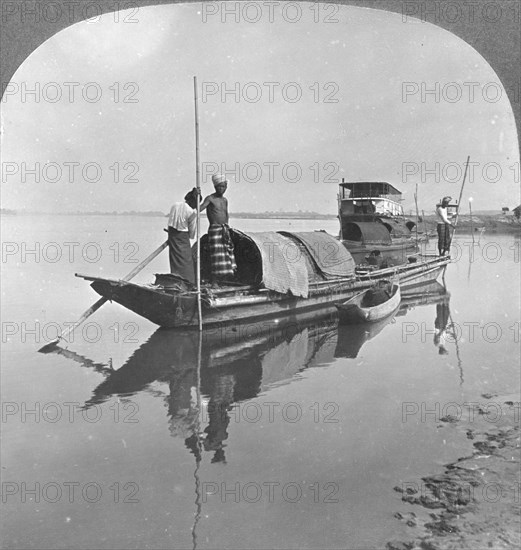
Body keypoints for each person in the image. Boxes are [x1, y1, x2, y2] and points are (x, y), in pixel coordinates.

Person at [199, 174, 237, 283]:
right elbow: (199, 209)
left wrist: (227, 227)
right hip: (215, 230)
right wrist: (197, 199)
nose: (221, 189)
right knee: (216, 255)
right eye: (219, 186)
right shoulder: (210, 198)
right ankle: (214, 281)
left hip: (224, 229)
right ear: (215, 187)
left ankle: (225, 279)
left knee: (227, 254)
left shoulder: (225, 200)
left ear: (226, 187)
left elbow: (226, 213)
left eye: (223, 186)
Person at [167, 188, 198, 284]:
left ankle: (176, 281)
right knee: (187, 261)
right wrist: (189, 236)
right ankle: (188, 282)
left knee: (175, 259)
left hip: (172, 235)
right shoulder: (192, 212)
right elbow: (192, 232)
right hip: (182, 236)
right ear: (193, 202)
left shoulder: (175, 205)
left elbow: (170, 222)